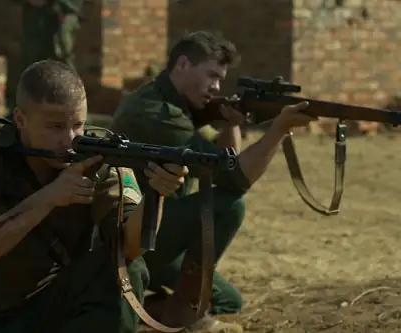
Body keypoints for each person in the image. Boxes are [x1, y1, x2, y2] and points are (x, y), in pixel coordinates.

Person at [0, 60, 189, 333]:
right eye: (56, 127)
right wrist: (49, 198)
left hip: (45, 311)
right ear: (21, 119)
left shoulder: (97, 155)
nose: (70, 139)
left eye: (78, 125)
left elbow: (129, 249)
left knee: (127, 271)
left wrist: (157, 192)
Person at [109, 31, 317, 332]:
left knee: (228, 300)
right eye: (211, 76)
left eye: (220, 79)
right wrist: (279, 129)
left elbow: (221, 159)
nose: (217, 87)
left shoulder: (178, 107)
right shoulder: (158, 112)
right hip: (129, 237)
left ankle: (145, 310)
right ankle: (184, 315)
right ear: (182, 64)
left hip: (159, 232)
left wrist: (232, 124)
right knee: (228, 206)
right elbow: (235, 179)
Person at [4, 0, 84, 120]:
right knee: (31, 62)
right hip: (39, 17)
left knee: (63, 61)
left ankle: (74, 106)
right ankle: (21, 110)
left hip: (63, 13)